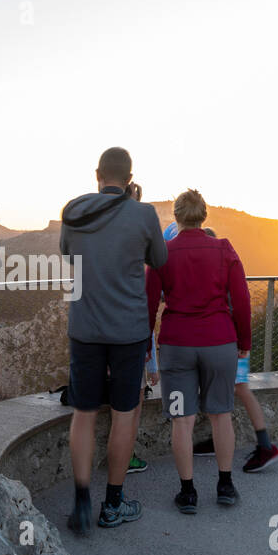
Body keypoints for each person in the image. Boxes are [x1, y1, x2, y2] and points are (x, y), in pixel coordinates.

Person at [60, 147, 167, 534]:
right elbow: (158, 258)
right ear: (130, 177)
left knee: (84, 413)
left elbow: (68, 255)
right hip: (128, 332)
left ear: (97, 175)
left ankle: (82, 502)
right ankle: (113, 505)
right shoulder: (143, 214)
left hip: (85, 328)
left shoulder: (73, 211)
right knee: (125, 413)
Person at [146, 189, 252, 513]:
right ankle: (225, 485)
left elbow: (148, 307)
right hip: (219, 345)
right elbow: (243, 301)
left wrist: (147, 352)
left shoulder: (163, 253)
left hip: (177, 348)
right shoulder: (223, 249)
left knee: (182, 420)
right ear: (204, 216)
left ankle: (188, 493)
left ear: (176, 217)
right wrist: (244, 344)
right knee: (221, 415)